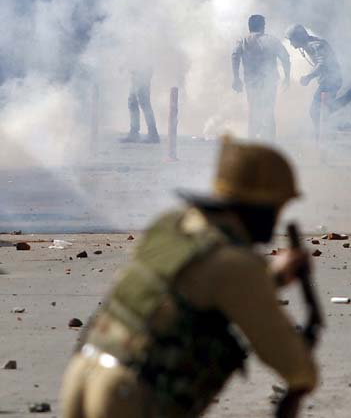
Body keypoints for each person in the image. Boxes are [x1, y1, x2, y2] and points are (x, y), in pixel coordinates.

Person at [60, 137, 317, 418]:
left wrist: (273, 278)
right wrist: (304, 377)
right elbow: (289, 361)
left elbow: (185, 289)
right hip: (129, 395)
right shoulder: (238, 264)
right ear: (260, 207)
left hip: (83, 373)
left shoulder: (173, 226)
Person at [284, 24, 351, 141]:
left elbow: (322, 64)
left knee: (316, 111)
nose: (291, 43)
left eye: (292, 40)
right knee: (322, 110)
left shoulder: (316, 45)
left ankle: (321, 136)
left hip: (331, 81)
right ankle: (322, 135)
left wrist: (308, 77)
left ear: (299, 37)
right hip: (327, 81)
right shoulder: (309, 45)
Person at [232, 14, 291, 141]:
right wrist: (287, 77)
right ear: (263, 26)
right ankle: (270, 141)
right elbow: (285, 57)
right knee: (268, 110)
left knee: (253, 109)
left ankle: (253, 140)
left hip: (251, 81)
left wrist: (236, 78)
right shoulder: (272, 40)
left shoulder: (243, 41)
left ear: (249, 27)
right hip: (269, 81)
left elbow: (235, 56)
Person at [120, 67, 160, 143]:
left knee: (144, 102)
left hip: (143, 72)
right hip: (137, 72)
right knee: (133, 102)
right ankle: (134, 132)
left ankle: (153, 134)